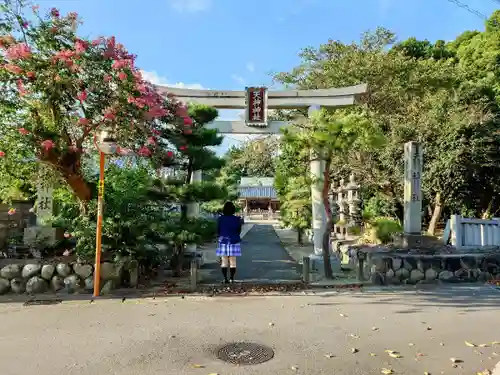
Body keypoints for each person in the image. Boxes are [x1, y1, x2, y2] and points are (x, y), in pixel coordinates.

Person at [216, 201, 243, 283]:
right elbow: (239, 231)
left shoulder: (220, 219)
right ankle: (231, 278)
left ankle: (225, 279)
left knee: (224, 261)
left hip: (223, 241)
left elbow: (218, 230)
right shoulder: (237, 219)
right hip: (234, 241)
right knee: (233, 262)